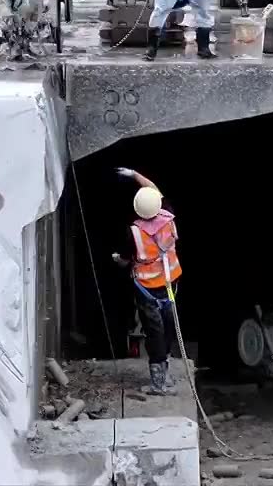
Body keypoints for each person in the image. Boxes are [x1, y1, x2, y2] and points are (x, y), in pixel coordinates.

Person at [111, 168, 182, 396]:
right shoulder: (168, 215)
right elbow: (151, 188)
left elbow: (125, 259)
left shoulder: (134, 233)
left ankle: (158, 382)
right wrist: (133, 174)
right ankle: (166, 373)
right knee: (169, 326)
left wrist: (117, 260)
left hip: (147, 290)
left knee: (154, 332)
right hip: (171, 285)